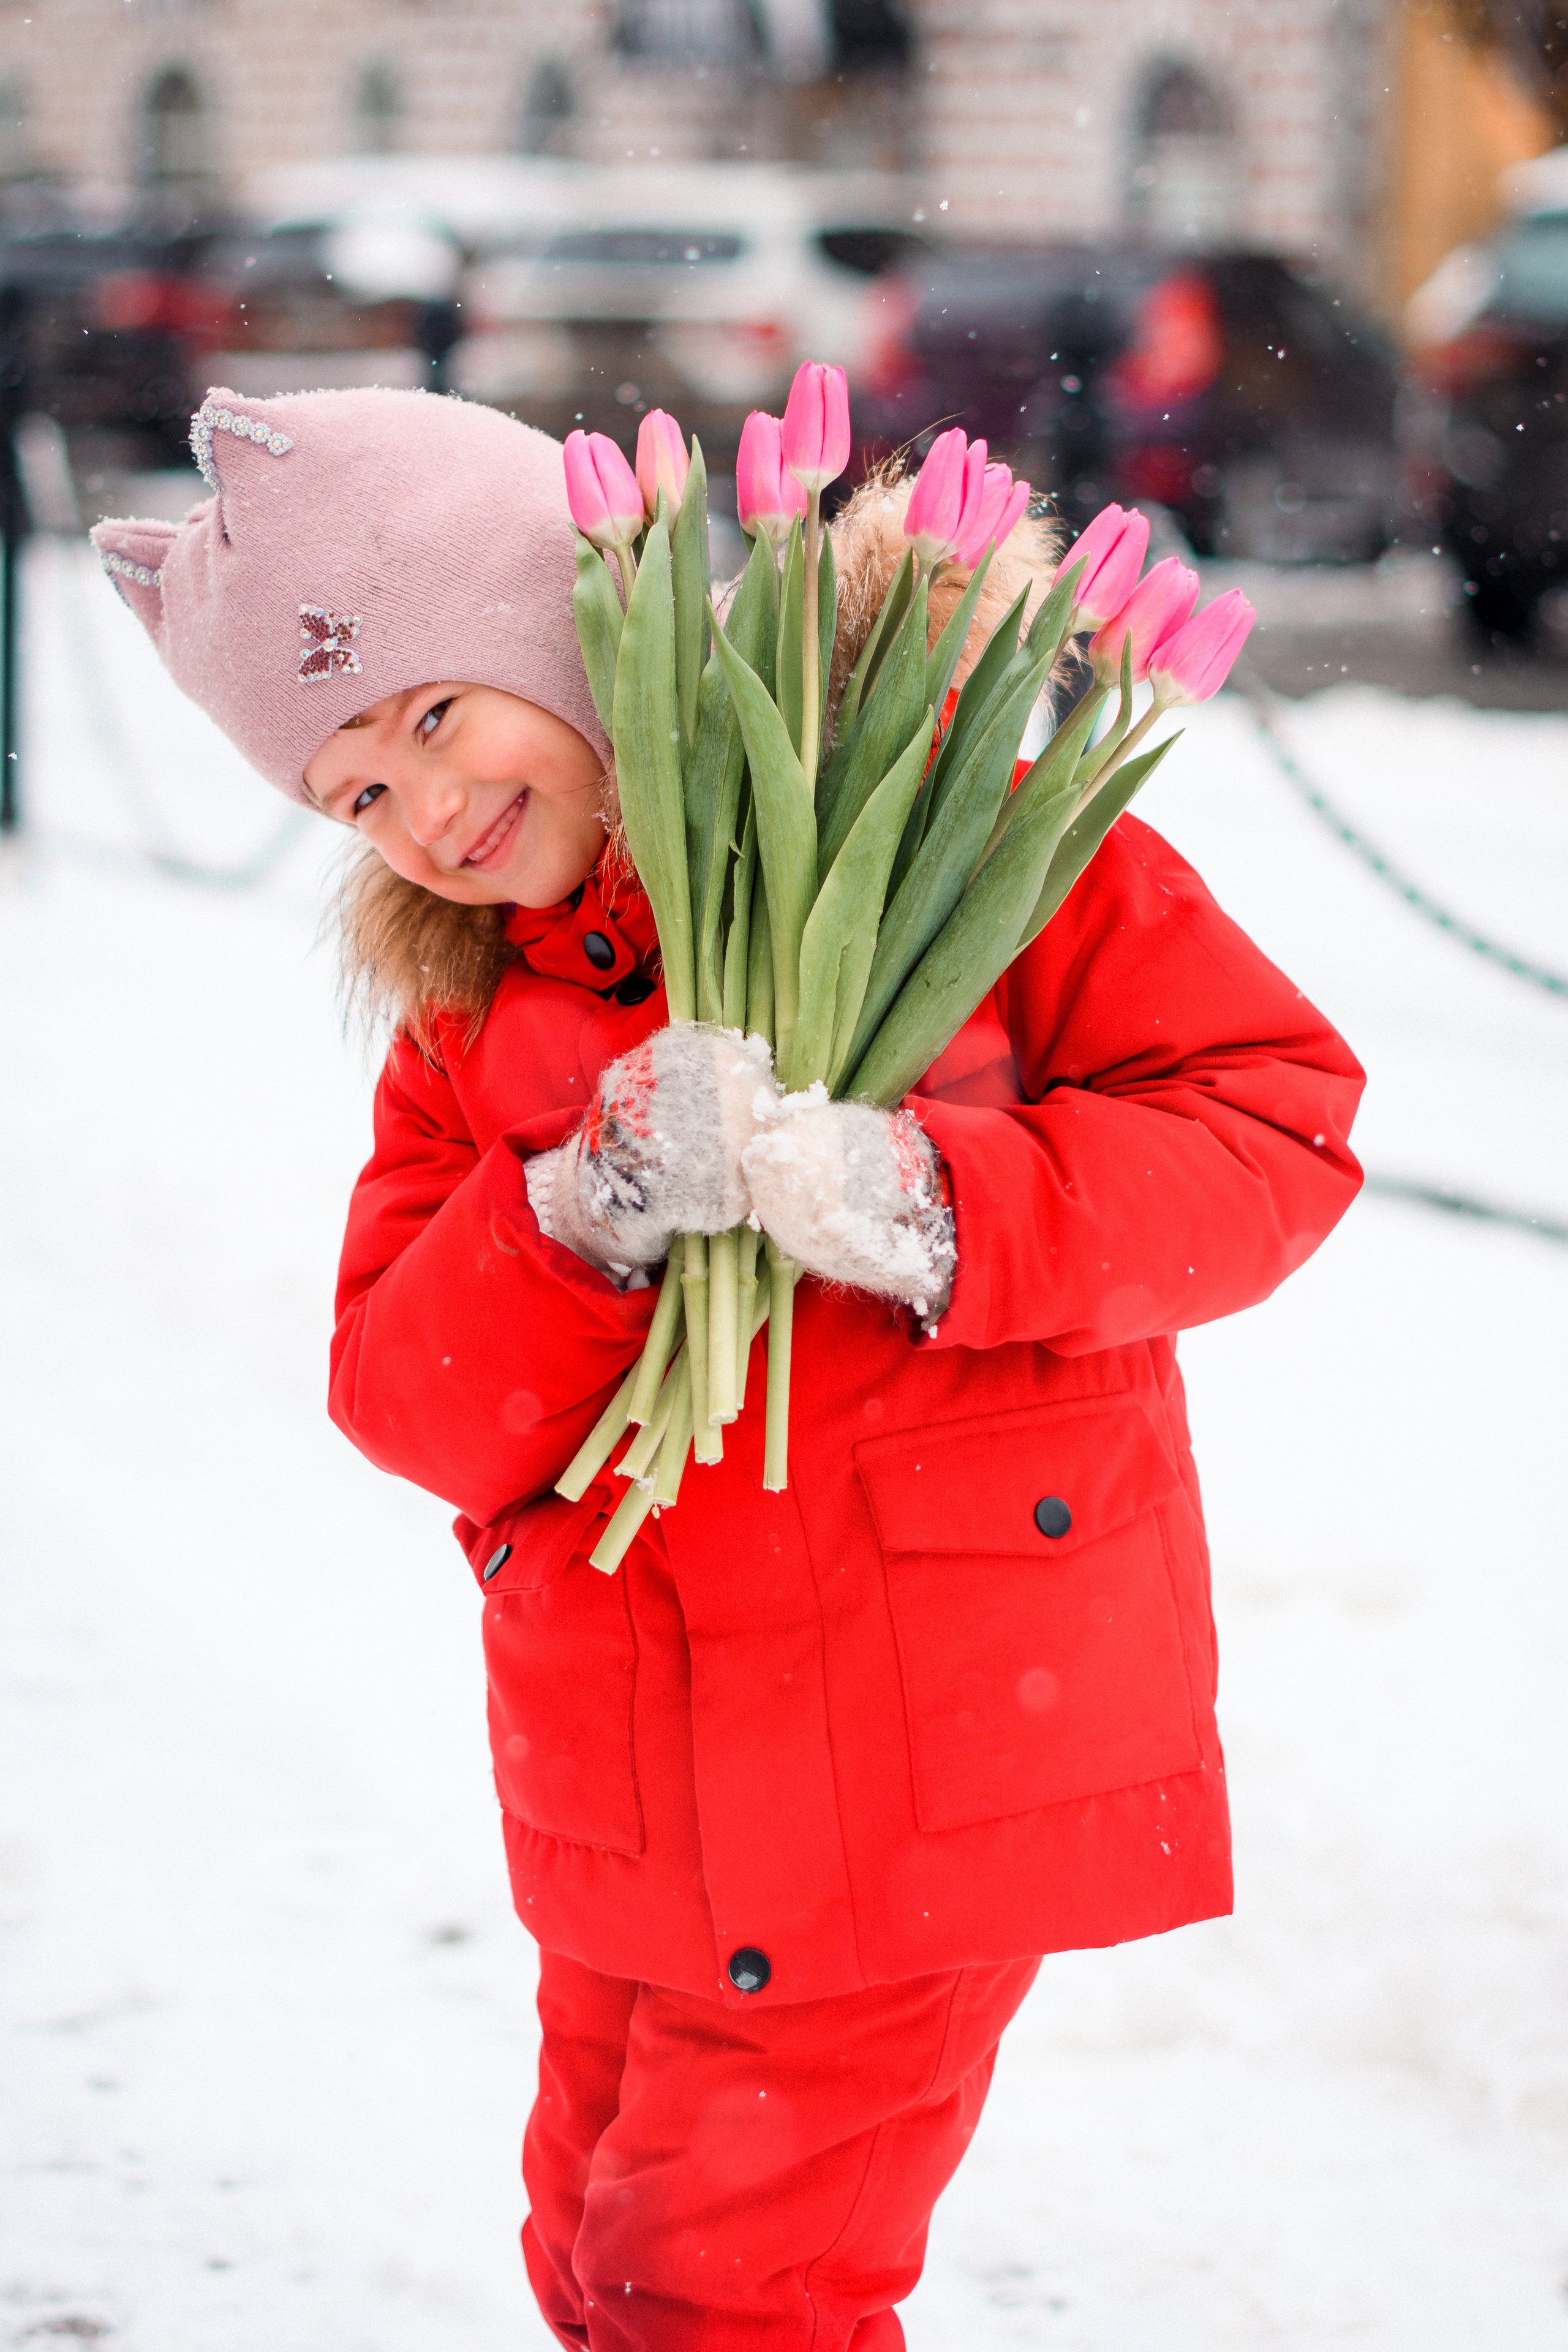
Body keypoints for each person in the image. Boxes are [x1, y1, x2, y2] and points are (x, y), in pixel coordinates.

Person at [95, 384, 1364, 2352]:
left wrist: (930, 1197)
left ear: (569, 628)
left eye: (437, 712)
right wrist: (578, 1211)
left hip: (920, 1757)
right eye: (354, 790)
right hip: (636, 1791)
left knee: (721, 2293)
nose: (426, 809)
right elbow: (403, 1394)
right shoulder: (471, 1022)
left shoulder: (963, 836)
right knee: (597, 2262)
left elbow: (1271, 1123)